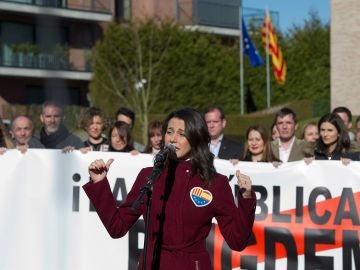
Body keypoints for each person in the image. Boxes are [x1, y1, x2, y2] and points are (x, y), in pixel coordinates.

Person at [83, 108, 255, 270]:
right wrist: (99, 184)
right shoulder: (148, 176)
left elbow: (237, 242)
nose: (172, 139)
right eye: (169, 132)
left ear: (195, 138)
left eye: (181, 134)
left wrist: (246, 198)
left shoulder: (214, 183)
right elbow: (117, 227)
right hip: (152, 264)